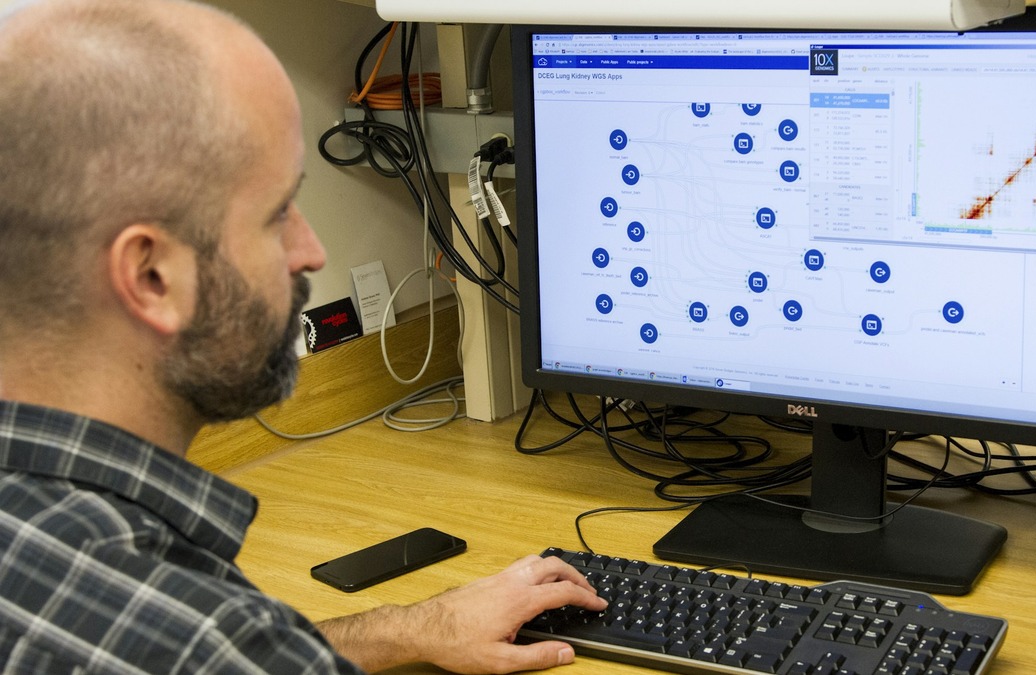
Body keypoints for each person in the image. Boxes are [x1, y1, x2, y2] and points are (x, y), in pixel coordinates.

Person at [0, 0, 606, 673]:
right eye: (277, 214)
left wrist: (410, 626)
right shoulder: (206, 644)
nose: (312, 251)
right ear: (150, 274)